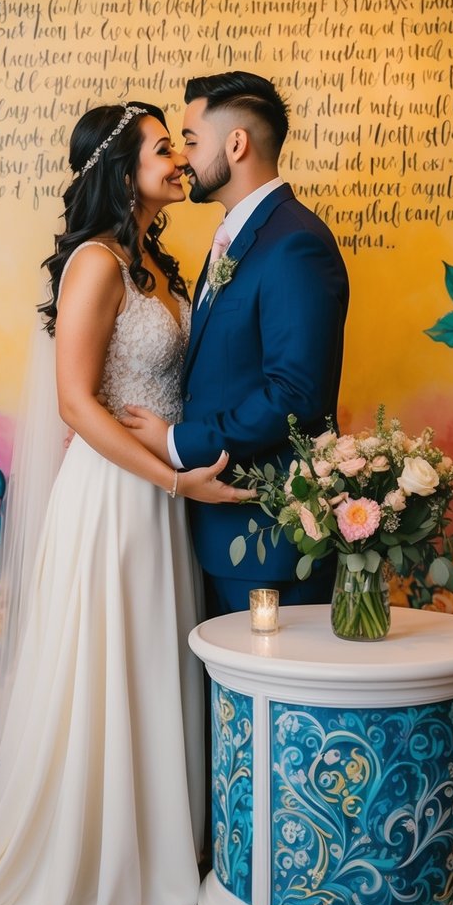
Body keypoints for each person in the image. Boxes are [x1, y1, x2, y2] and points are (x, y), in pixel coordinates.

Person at [0, 101, 252, 905]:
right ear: (123, 170)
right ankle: (102, 856)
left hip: (158, 494)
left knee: (151, 660)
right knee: (110, 665)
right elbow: (76, 404)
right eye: (163, 148)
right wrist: (175, 479)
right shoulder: (96, 263)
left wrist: (178, 464)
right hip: (114, 498)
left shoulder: (157, 264)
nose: (179, 161)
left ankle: (158, 842)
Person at [123, 72, 349, 616]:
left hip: (268, 540)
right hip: (217, 529)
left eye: (191, 141)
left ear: (237, 144)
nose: (183, 158)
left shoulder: (294, 243)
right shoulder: (239, 233)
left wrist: (177, 443)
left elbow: (294, 394)